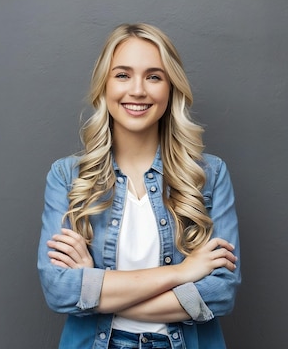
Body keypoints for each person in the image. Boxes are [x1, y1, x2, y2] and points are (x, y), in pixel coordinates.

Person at [37, 23, 241, 349]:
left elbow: (220, 293)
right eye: (122, 75)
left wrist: (96, 288)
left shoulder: (209, 175)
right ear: (104, 86)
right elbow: (60, 291)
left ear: (171, 88)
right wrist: (182, 273)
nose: (137, 90)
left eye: (154, 76)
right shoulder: (67, 176)